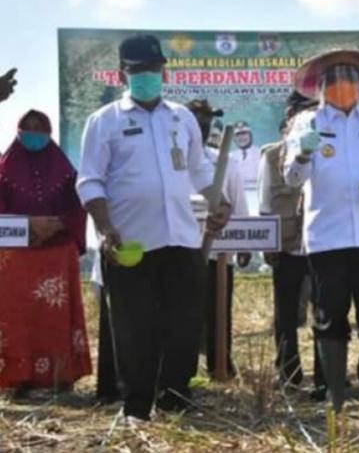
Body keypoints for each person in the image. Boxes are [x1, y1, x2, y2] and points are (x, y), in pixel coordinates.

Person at [76, 34, 230, 422]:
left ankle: (175, 399)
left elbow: (198, 169)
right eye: (137, 70)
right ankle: (137, 407)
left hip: (181, 237)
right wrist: (105, 227)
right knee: (134, 327)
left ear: (164, 70)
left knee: (184, 322)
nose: (147, 75)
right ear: (122, 73)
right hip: (130, 243)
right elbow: (90, 181)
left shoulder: (181, 118)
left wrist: (218, 199)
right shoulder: (105, 121)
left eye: (152, 68)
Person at [283, 49, 359, 417]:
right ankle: (336, 393)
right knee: (330, 314)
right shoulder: (308, 123)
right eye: (333, 79)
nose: (343, 85)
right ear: (320, 87)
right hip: (326, 236)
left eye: (350, 78)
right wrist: (303, 155)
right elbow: (292, 177)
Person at [0, 110, 91, 394]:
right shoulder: (3, 171)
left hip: (56, 256)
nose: (34, 133)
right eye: (28, 128)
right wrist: (28, 226)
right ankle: (18, 377)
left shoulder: (65, 171)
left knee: (53, 319)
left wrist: (57, 224)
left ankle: (57, 378)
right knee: (17, 316)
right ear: (17, 132)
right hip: (16, 258)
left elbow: (79, 206)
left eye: (40, 128)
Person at [258, 90, 323, 393]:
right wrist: (268, 243)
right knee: (285, 313)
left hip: (321, 243)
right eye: (303, 112)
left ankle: (326, 373)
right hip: (286, 244)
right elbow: (265, 203)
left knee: (324, 310)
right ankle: (288, 372)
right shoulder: (271, 155)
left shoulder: (328, 151)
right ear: (289, 117)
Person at [186, 98, 251, 378]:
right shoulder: (169, 159)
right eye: (195, 120)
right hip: (180, 250)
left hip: (217, 253)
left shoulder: (225, 162)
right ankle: (182, 366)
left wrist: (244, 244)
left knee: (218, 312)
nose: (200, 127)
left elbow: (236, 203)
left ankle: (220, 364)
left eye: (205, 122)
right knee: (183, 313)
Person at [232, 120, 261, 185]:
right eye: (238, 134)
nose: (241, 137)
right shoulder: (230, 157)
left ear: (250, 135)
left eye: (244, 133)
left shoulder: (260, 154)